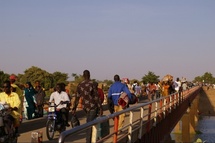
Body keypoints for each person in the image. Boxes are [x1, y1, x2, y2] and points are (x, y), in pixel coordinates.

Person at [71, 70, 103, 143]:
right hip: (92, 107)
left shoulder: (80, 84)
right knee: (89, 123)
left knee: (90, 122)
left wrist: (74, 108)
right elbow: (96, 97)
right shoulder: (92, 84)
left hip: (85, 107)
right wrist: (100, 107)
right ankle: (88, 140)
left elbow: (77, 98)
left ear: (83, 75)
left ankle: (92, 138)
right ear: (89, 75)